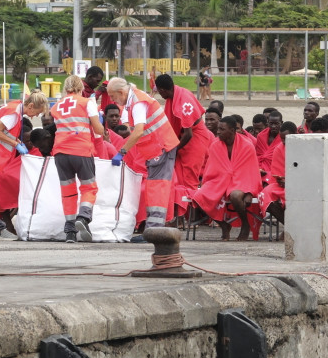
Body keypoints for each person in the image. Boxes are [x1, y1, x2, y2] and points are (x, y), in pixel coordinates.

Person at [105, 77, 181, 233]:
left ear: (121, 92)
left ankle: (155, 230)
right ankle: (153, 229)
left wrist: (122, 152)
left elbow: (139, 130)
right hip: (157, 149)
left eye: (113, 96)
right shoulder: (135, 99)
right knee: (154, 187)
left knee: (157, 188)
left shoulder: (137, 103)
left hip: (161, 147)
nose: (112, 100)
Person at [0, 91, 49, 240]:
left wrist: (17, 142)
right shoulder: (14, 114)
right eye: (36, 113)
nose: (34, 116)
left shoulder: (15, 108)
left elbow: (3, 132)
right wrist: (15, 144)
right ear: (31, 106)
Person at [50, 75, 106, 242]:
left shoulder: (56, 106)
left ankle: (70, 231)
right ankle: (83, 217)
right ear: (81, 87)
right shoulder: (87, 102)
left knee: (68, 192)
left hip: (60, 152)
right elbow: (98, 130)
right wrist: (101, 124)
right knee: (89, 187)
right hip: (81, 150)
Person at [190, 115, 262, 241]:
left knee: (235, 196)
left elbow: (251, 172)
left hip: (241, 182)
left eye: (222, 129)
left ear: (233, 131)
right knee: (197, 197)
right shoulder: (215, 145)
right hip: (219, 180)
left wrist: (250, 192)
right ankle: (224, 225)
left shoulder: (247, 145)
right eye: (218, 129)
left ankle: (245, 225)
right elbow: (212, 169)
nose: (218, 132)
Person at [154, 73, 212, 221]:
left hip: (195, 138)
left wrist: (174, 150)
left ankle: (192, 218)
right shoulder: (175, 94)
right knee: (179, 178)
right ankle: (180, 216)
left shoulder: (183, 101)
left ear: (163, 90)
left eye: (159, 92)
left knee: (190, 179)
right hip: (183, 139)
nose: (159, 95)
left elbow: (189, 134)